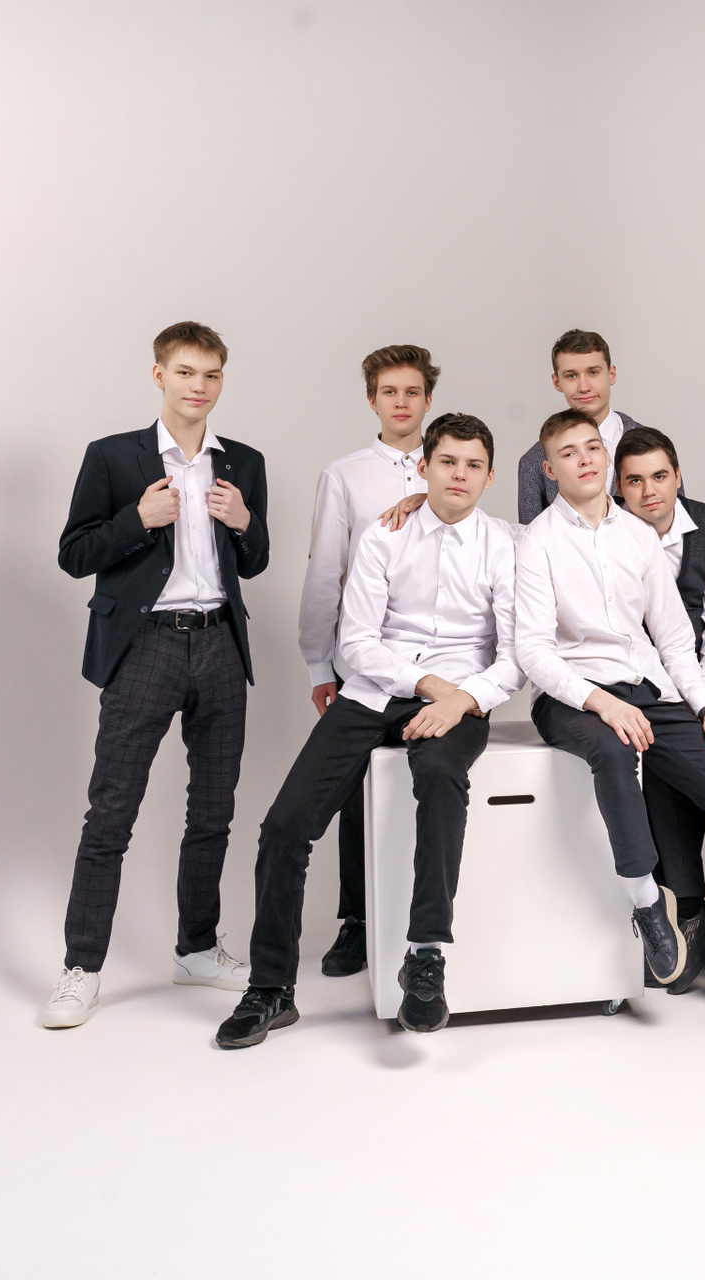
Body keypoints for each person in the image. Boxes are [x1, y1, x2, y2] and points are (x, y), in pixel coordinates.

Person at [216, 415, 522, 1047]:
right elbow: (356, 641)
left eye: (473, 465)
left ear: (490, 476)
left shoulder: (508, 546)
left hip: (462, 698)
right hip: (377, 690)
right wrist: (427, 684)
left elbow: (518, 656)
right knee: (285, 826)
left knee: (440, 776)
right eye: (447, 462)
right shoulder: (385, 535)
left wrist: (462, 699)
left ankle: (426, 957)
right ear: (424, 468)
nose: (459, 475)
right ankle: (271, 989)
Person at [516, 409, 705, 1020]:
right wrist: (603, 702)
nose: (584, 459)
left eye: (592, 447)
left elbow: (674, 639)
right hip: (573, 696)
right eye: (568, 453)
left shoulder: (638, 536)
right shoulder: (537, 541)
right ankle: (648, 901)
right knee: (614, 748)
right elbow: (533, 651)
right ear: (549, 470)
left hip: (650, 688)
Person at [44, 321, 269, 1029]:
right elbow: (75, 554)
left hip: (220, 644)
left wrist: (245, 521)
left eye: (211, 374)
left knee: (214, 811)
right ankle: (81, 968)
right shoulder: (113, 457)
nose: (198, 386)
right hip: (145, 646)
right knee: (111, 812)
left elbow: (256, 561)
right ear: (159, 376)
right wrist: (138, 519)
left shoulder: (244, 462)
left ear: (222, 380)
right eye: (185, 372)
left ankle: (196, 948)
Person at [295, 344, 437, 979]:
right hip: (363, 659)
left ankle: (422, 928)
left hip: (438, 666)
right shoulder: (345, 475)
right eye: (389, 392)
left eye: (412, 391)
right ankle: (356, 920)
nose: (401, 403)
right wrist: (318, 664)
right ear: (372, 399)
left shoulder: (450, 465)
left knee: (432, 786)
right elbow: (324, 572)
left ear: (428, 399)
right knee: (353, 789)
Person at [611, 425, 705, 994]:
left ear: (678, 477)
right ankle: (687, 907)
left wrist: (701, 696)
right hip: (639, 681)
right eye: (635, 481)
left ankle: (701, 914)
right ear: (619, 487)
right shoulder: (608, 533)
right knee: (654, 754)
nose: (650, 492)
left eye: (660, 477)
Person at [513, 330, 653, 522]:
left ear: (611, 374)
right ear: (557, 382)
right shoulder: (533, 461)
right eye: (571, 376)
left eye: (593, 372)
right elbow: (531, 532)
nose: (584, 387)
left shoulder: (654, 445)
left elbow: (677, 521)